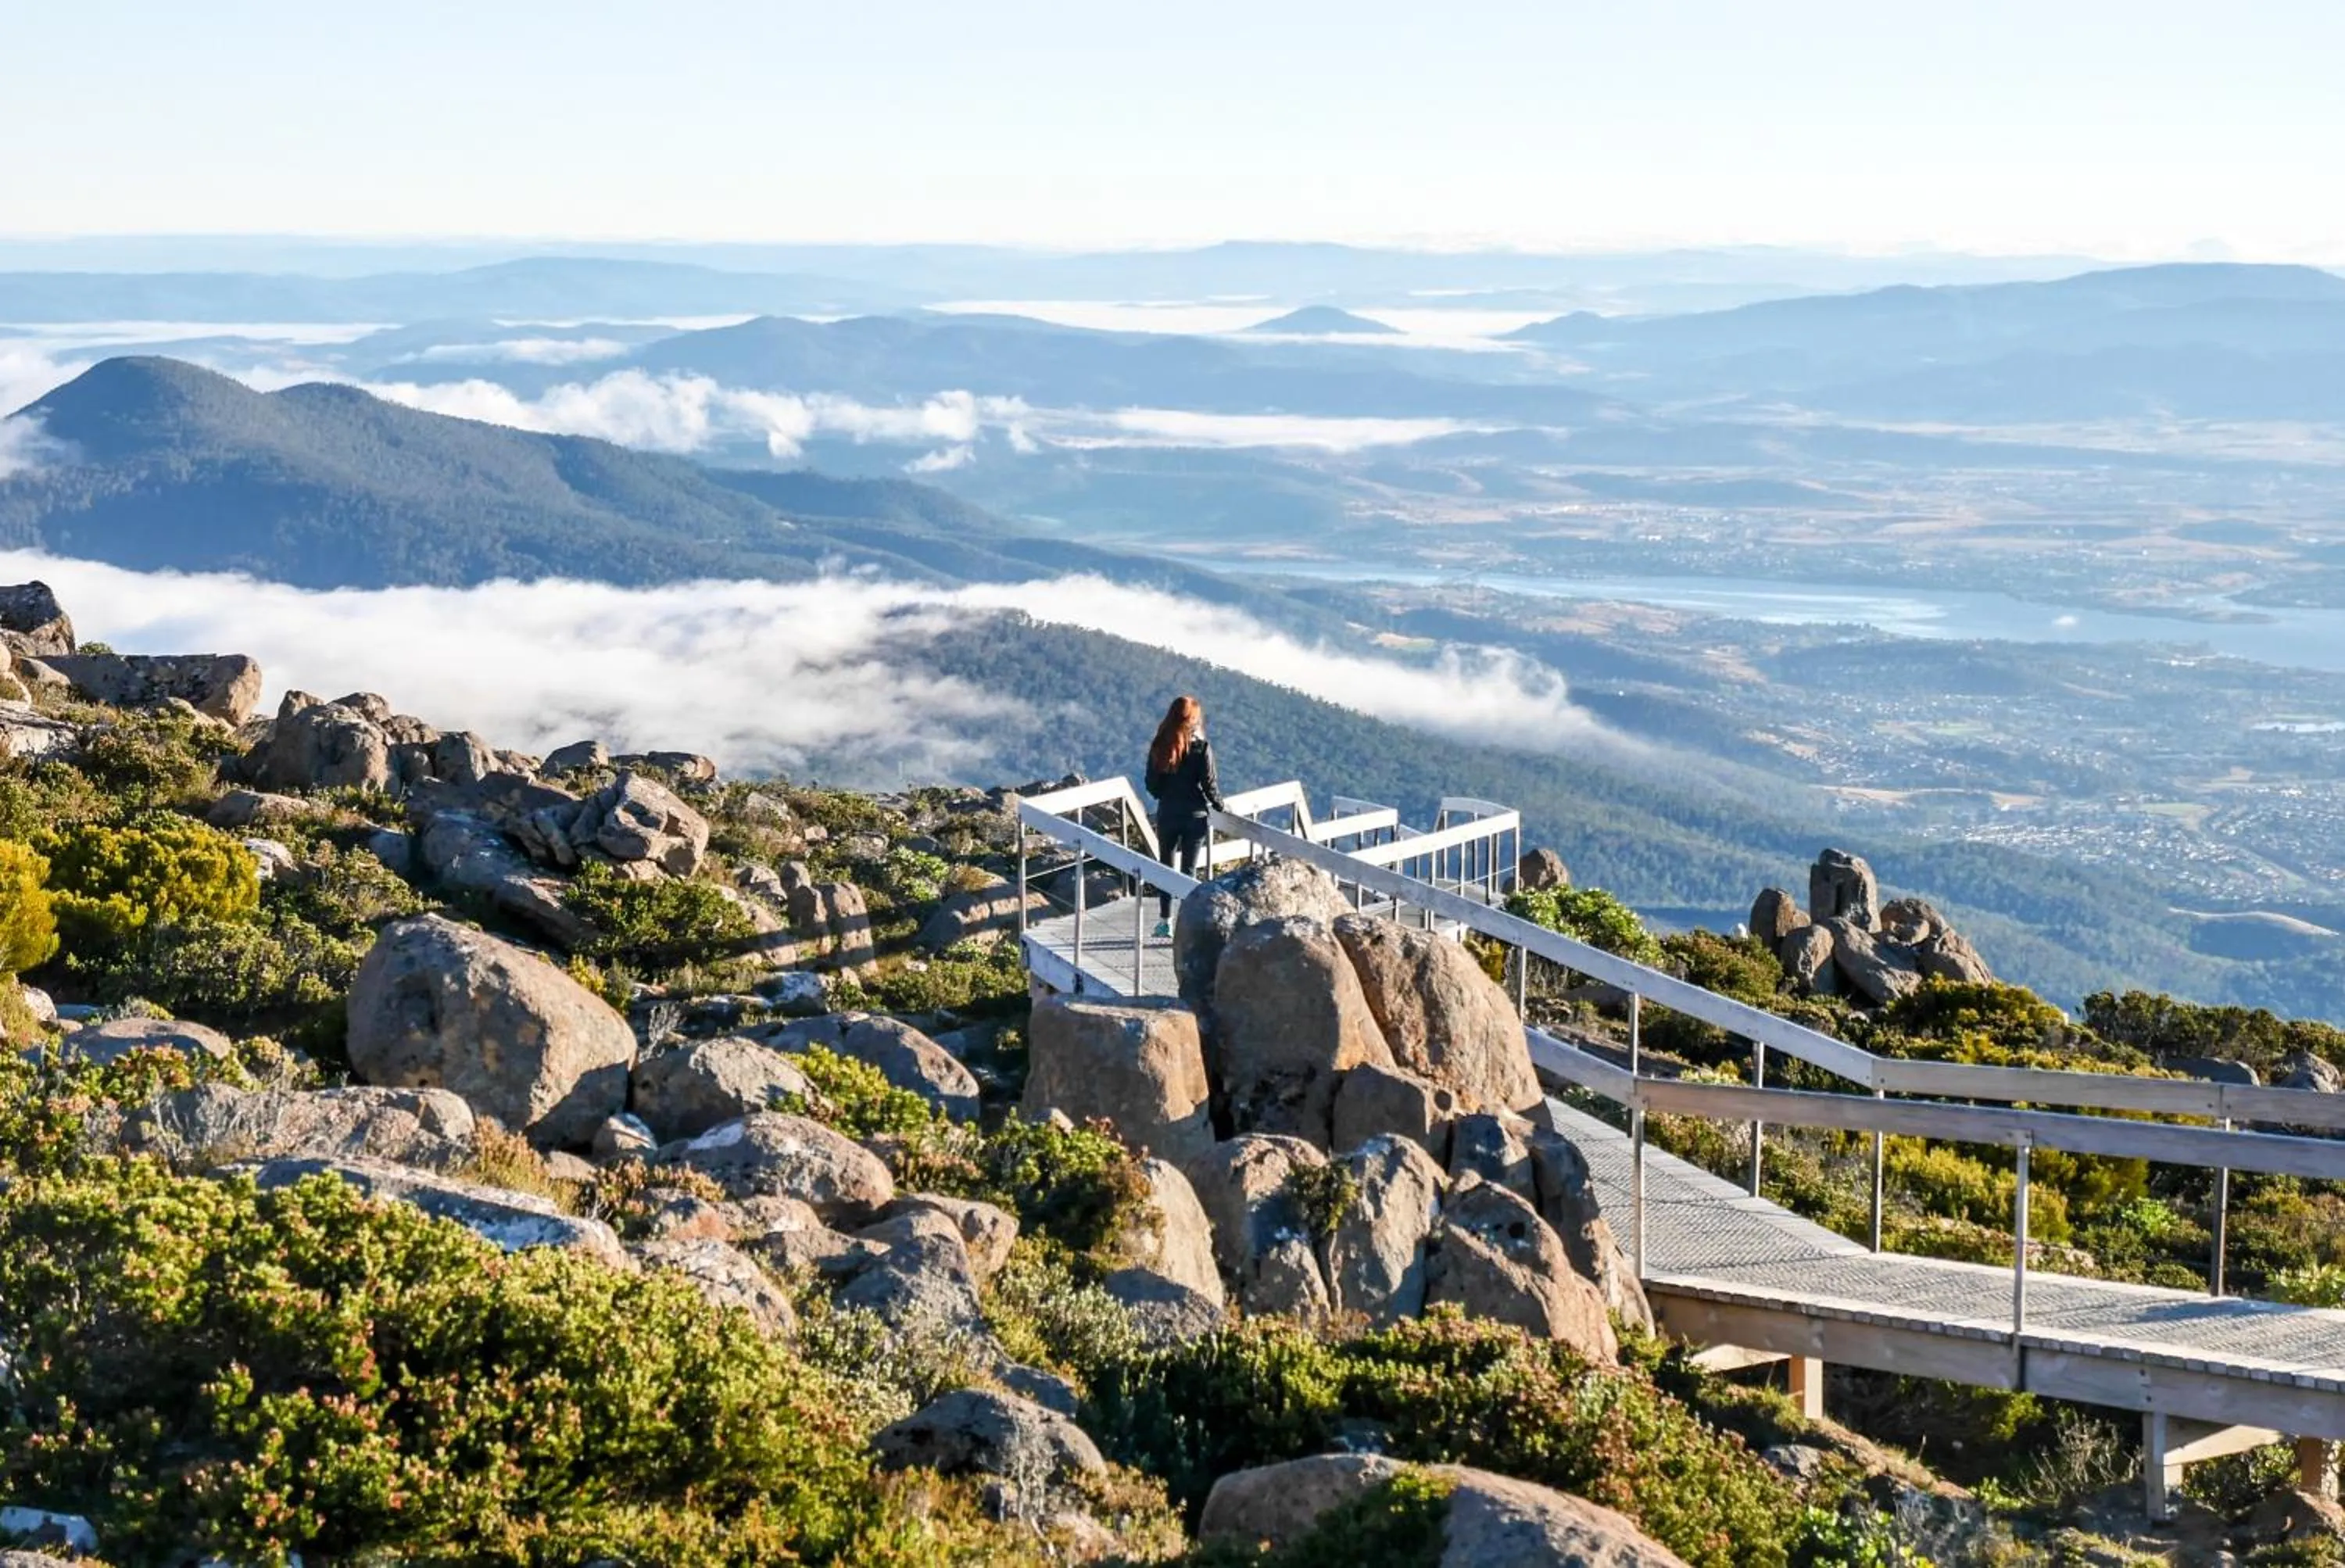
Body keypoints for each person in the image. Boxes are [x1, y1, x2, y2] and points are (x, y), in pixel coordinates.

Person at [1144, 693, 1223, 936]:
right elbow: (1209, 785)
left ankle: (1164, 921)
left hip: (1168, 813)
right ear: (1194, 720)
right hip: (1195, 815)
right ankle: (1184, 925)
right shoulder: (1202, 748)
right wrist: (1220, 805)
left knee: (1165, 868)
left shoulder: (1160, 745)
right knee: (1188, 871)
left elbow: (1152, 785)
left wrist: (1165, 793)